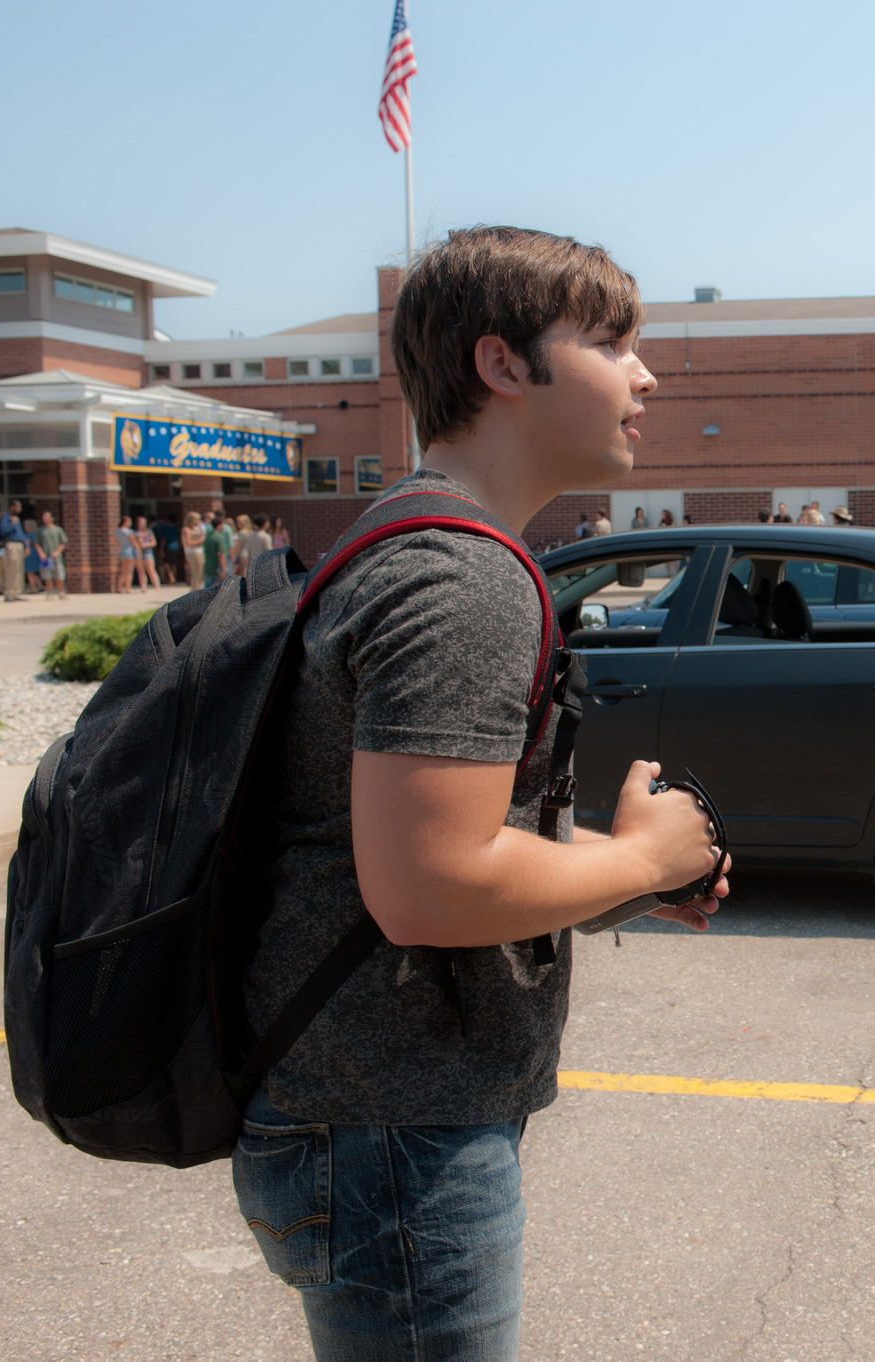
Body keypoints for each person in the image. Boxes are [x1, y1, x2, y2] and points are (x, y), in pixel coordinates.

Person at [231, 226, 726, 1360]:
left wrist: (614, 877)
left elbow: (419, 843)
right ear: (503, 365)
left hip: (363, 1112)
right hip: (394, 1129)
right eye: (612, 342)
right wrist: (649, 857)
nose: (645, 376)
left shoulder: (412, 537)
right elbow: (430, 885)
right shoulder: (461, 575)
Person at [0, 502, 29, 602]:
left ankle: (16, 592)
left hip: (19, 545)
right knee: (11, 569)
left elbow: (21, 533)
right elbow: (3, 531)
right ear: (12, 507)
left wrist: (26, 545)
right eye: (18, 507)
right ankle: (9, 593)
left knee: (19, 570)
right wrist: (13, 524)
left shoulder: (16, 519)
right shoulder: (5, 518)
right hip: (11, 544)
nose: (20, 509)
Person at [203, 513, 234, 589]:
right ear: (219, 525)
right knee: (222, 590)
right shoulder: (219, 537)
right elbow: (221, 554)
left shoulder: (208, 537)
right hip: (217, 567)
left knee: (207, 591)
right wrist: (223, 569)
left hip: (208, 566)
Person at [134, 516, 161, 590]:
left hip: (148, 553)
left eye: (143, 522)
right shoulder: (134, 533)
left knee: (151, 570)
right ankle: (143, 588)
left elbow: (154, 542)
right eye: (141, 522)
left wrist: (145, 544)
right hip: (138, 554)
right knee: (141, 572)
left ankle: (157, 587)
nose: (142, 524)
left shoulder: (149, 532)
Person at [182, 512, 207, 589]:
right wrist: (200, 541)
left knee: (202, 573)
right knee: (196, 573)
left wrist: (200, 527)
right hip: (193, 553)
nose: (199, 521)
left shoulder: (197, 528)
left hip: (200, 551)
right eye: (197, 519)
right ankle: (194, 591)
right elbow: (188, 542)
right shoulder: (186, 529)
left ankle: (198, 589)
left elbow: (204, 535)